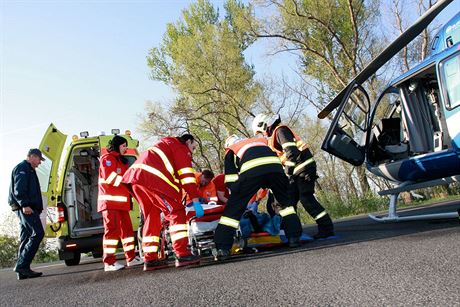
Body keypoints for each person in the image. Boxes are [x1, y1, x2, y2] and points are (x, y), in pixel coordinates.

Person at [214, 135, 303, 261]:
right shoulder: (259, 141)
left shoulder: (231, 149)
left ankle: (223, 248)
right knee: (285, 205)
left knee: (231, 213)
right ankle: (294, 238)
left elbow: (230, 177)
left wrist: (236, 194)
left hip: (252, 170)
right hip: (275, 168)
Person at [122, 134, 204, 271]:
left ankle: (150, 258)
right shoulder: (180, 147)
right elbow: (187, 177)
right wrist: (195, 200)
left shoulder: (166, 145)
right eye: (193, 147)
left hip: (137, 179)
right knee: (176, 212)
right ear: (188, 141)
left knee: (151, 216)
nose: (192, 151)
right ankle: (182, 253)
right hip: (152, 180)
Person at [252, 114, 335, 239]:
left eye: (261, 131)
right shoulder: (274, 136)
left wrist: (287, 173)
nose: (262, 134)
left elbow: (292, 152)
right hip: (296, 172)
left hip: (303, 168)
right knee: (289, 202)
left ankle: (327, 228)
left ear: (264, 125)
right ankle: (292, 233)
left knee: (306, 199)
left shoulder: (280, 131)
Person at [98, 135, 143, 271]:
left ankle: (131, 258)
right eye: (124, 146)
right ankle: (109, 262)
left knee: (127, 231)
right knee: (112, 232)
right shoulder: (108, 159)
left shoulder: (120, 161)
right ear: (117, 145)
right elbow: (110, 178)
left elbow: (126, 182)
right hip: (110, 203)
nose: (126, 148)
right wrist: (126, 181)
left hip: (122, 204)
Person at [8, 149, 46, 280]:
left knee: (26, 237)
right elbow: (19, 188)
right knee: (38, 233)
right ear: (32, 157)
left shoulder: (28, 169)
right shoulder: (23, 168)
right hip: (25, 208)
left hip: (26, 207)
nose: (39, 163)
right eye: (39, 160)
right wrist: (24, 204)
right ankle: (22, 266)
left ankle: (22, 270)